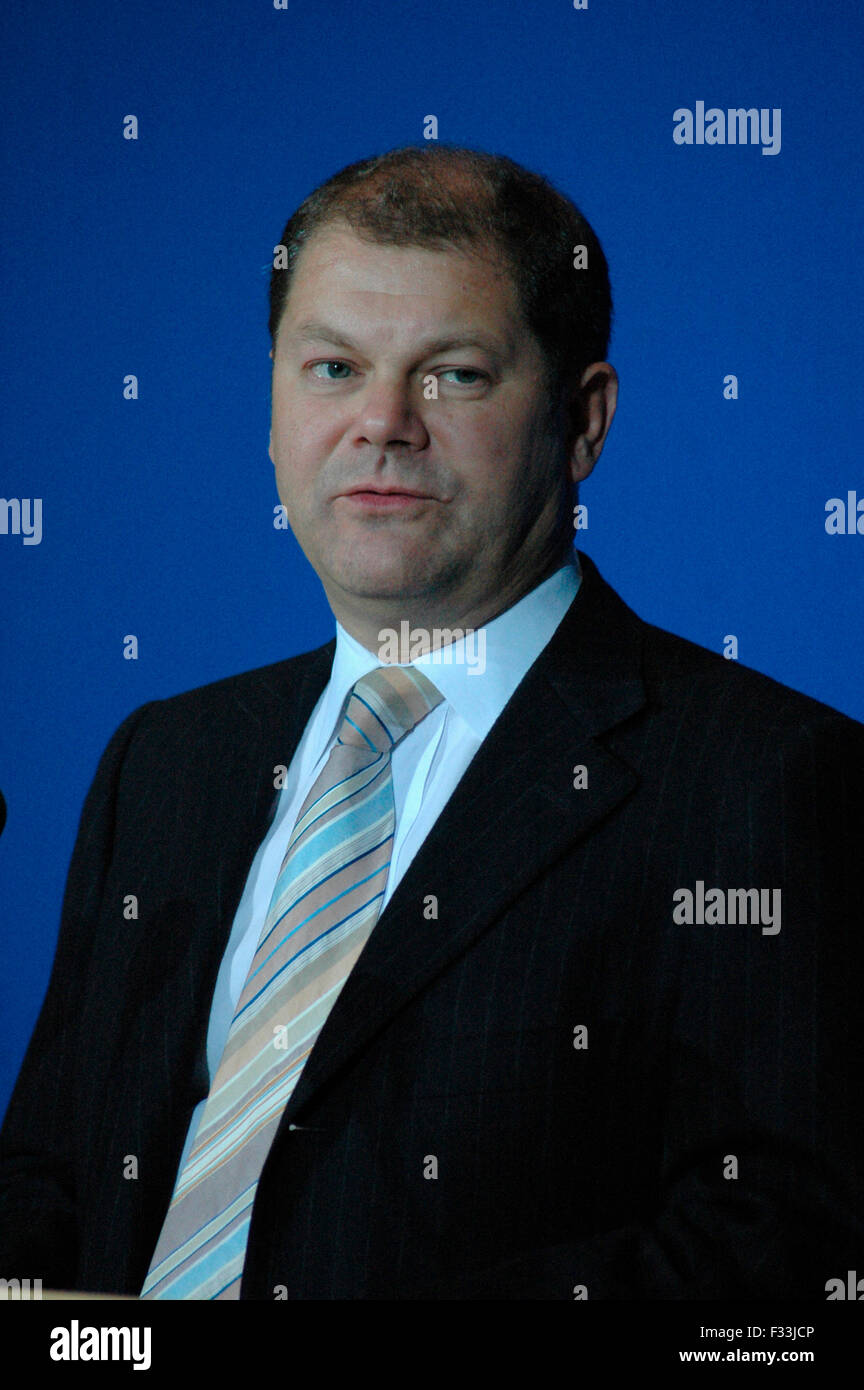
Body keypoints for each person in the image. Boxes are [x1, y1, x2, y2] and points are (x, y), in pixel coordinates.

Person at [1, 145, 861, 1301]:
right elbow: (51, 1180)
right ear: (271, 407)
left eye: (452, 374)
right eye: (332, 367)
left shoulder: (767, 778)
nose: (381, 424)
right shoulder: (165, 761)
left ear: (584, 420)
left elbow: (786, 1252)